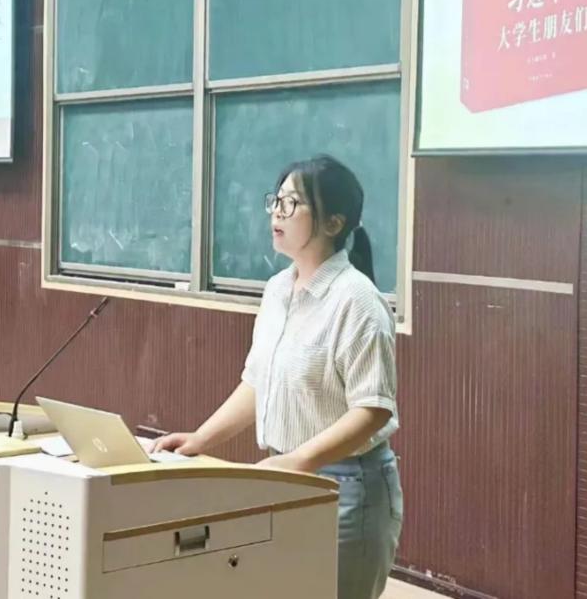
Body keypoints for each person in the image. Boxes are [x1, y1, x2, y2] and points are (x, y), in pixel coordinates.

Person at [153, 155, 402, 599]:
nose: (277, 213)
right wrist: (200, 439)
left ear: (333, 223)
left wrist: (298, 461)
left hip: (346, 487)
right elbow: (257, 382)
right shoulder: (277, 290)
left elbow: (372, 409)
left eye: (292, 203)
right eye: (276, 201)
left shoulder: (358, 300)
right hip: (284, 474)